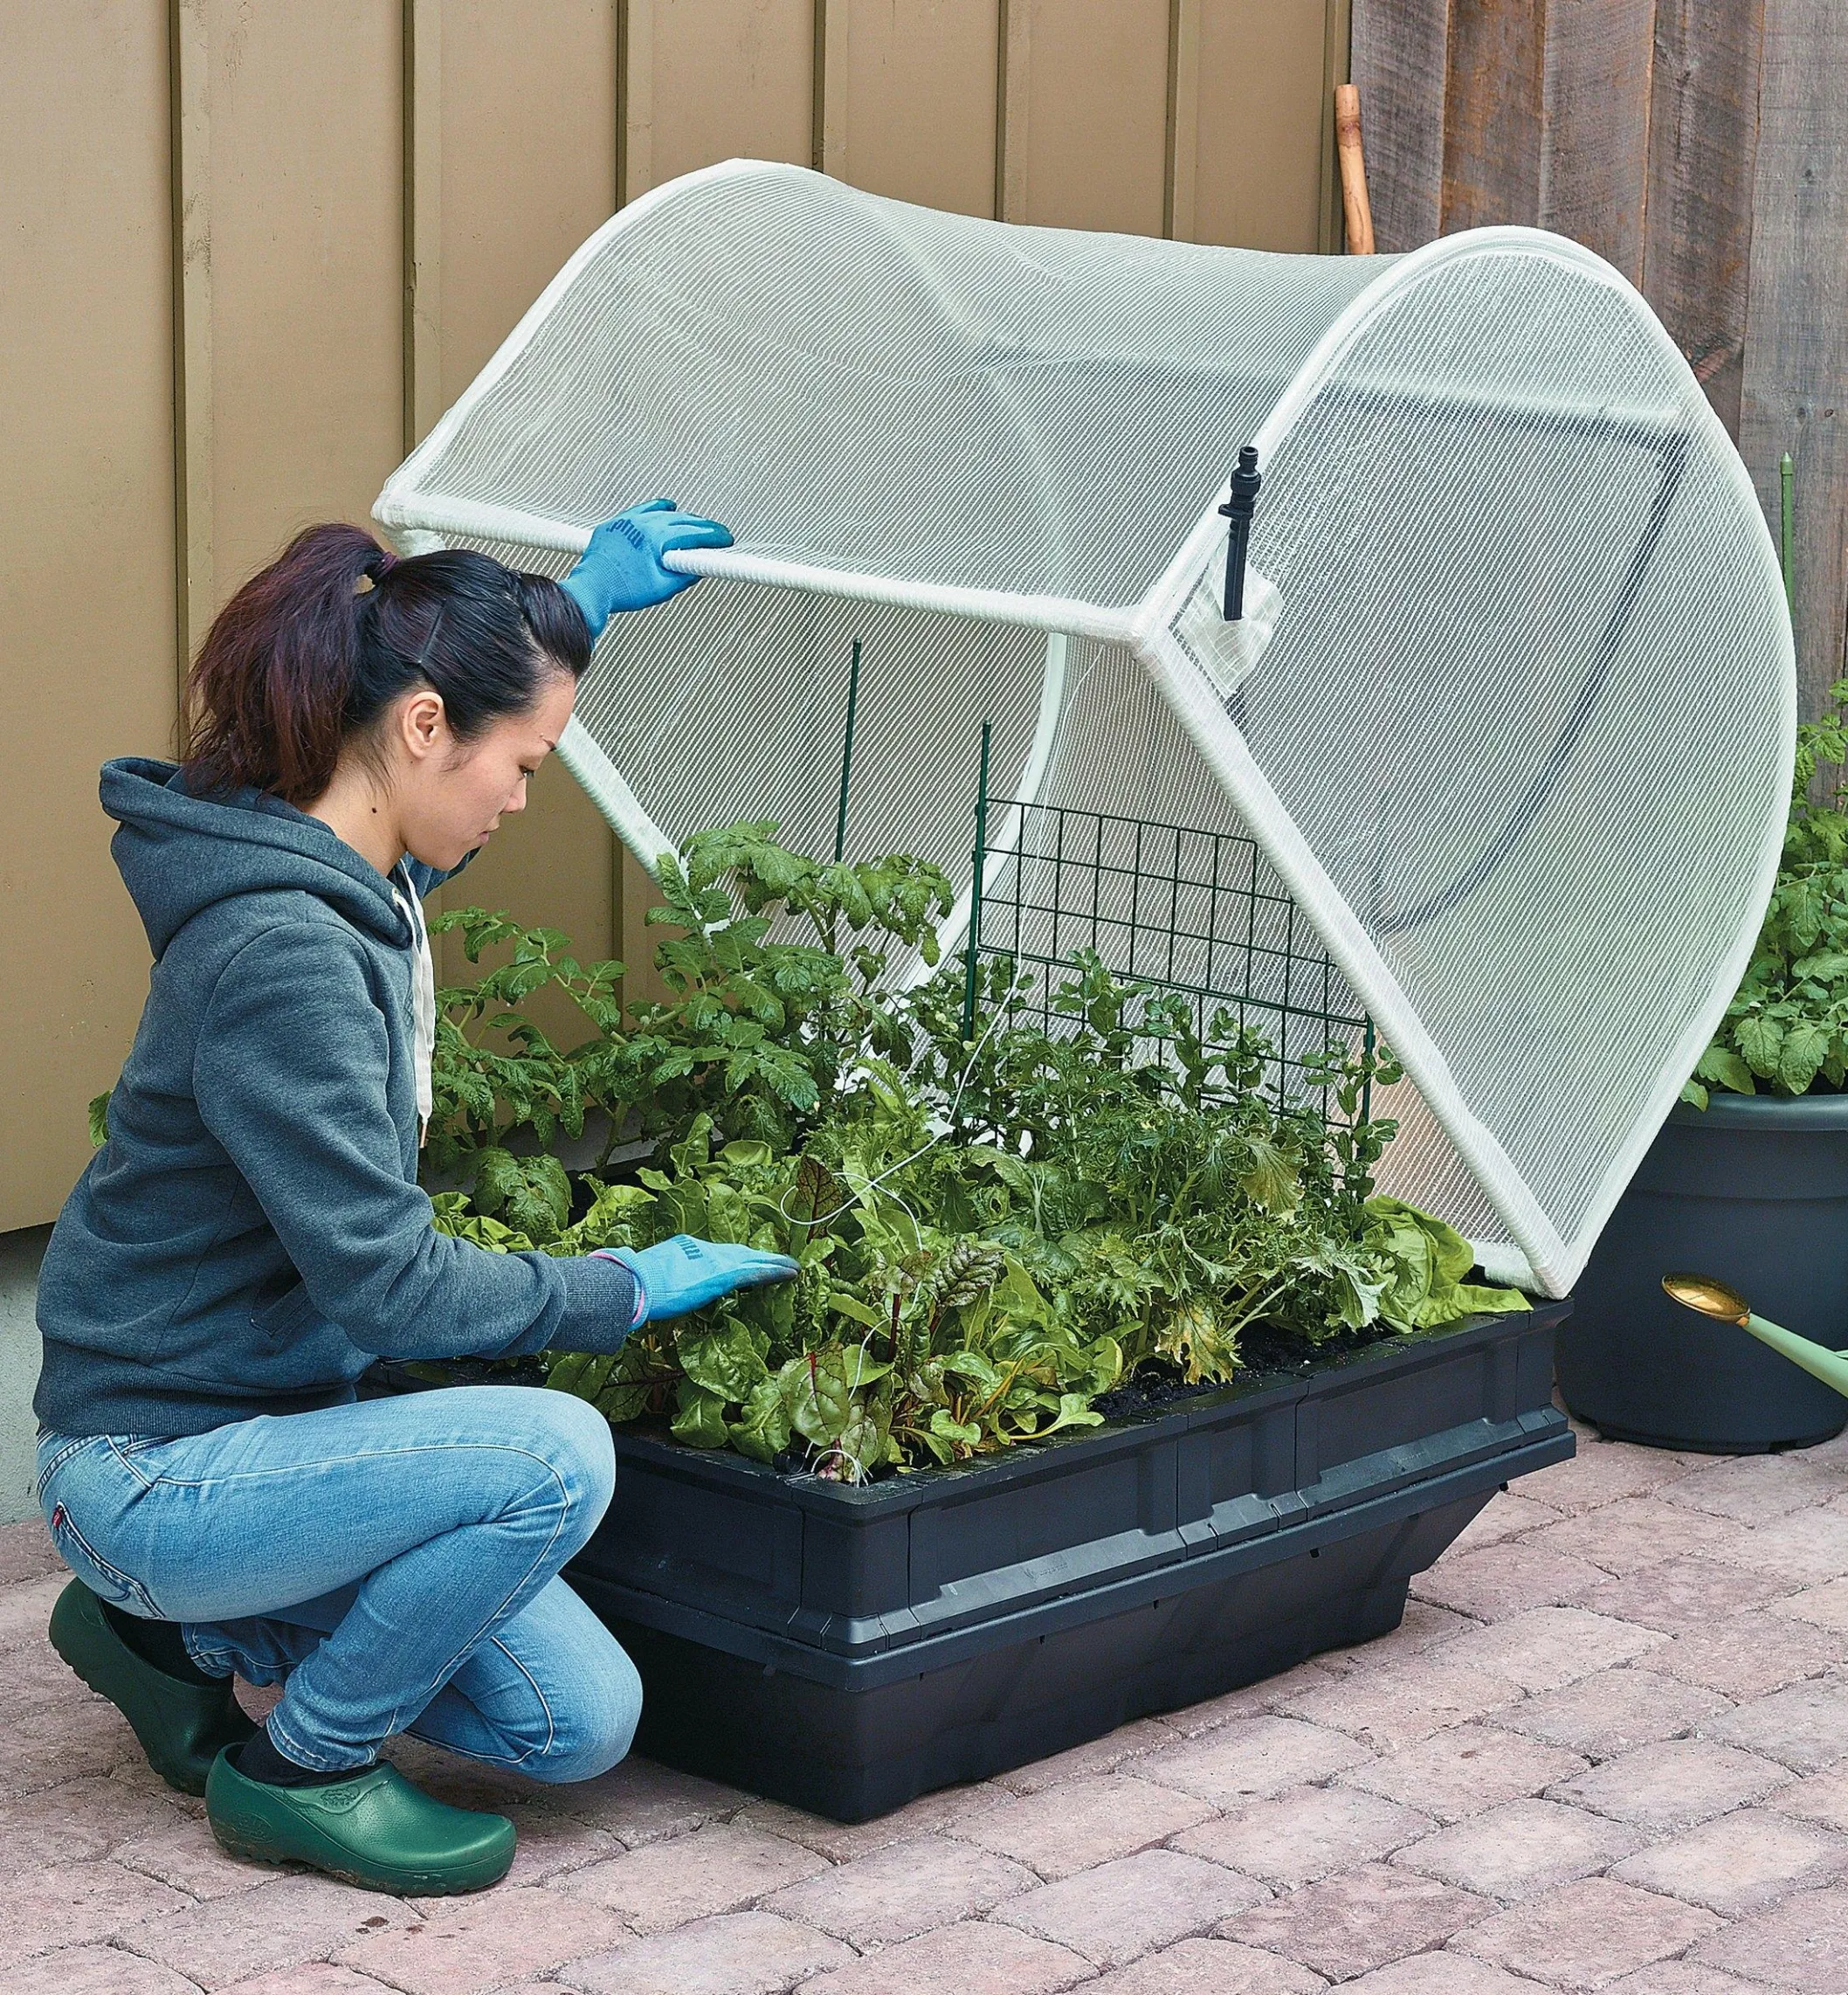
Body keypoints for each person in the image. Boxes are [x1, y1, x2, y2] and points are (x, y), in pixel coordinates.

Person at [31, 501, 798, 1896]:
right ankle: (300, 1770)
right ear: (427, 725)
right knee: (554, 1454)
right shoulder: (283, 954)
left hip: (277, 1446)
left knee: (576, 1722)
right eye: (526, 761)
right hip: (151, 1465)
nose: (523, 797)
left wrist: (577, 609)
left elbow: (440, 825)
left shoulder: (347, 868)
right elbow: (389, 1287)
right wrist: (619, 1290)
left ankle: (177, 1642)